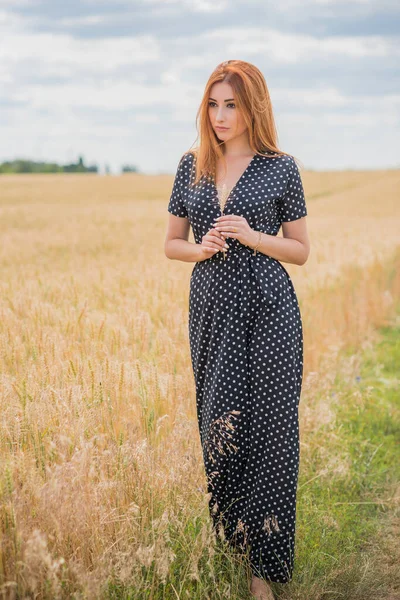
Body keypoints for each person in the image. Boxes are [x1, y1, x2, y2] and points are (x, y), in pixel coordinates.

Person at [164, 59, 310, 600]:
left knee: (271, 436)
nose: (221, 115)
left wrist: (251, 235)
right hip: (211, 309)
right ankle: (231, 546)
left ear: (254, 108)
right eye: (213, 103)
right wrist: (198, 249)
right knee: (220, 433)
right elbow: (170, 243)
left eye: (232, 104)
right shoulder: (191, 165)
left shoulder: (281, 167)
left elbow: (300, 251)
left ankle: (260, 575)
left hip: (271, 310)